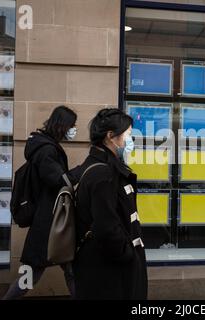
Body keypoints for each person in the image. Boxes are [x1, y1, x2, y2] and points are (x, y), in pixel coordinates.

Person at [3, 105, 81, 299]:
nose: (74, 129)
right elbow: (59, 181)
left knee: (71, 269)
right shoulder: (46, 151)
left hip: (53, 221)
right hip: (49, 223)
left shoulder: (43, 145)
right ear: (62, 126)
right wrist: (84, 169)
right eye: (72, 125)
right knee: (30, 275)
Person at [72, 108, 148, 300]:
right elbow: (106, 227)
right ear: (111, 137)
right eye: (128, 134)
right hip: (108, 273)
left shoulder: (105, 167)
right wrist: (128, 255)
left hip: (105, 268)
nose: (130, 140)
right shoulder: (103, 174)